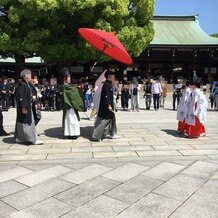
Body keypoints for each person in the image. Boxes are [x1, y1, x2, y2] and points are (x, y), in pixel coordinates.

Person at [15, 69, 43, 145]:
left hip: (31, 106)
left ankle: (22, 138)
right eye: (30, 75)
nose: (31, 77)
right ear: (26, 76)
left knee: (28, 122)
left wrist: (37, 103)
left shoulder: (29, 84)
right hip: (25, 107)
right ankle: (32, 139)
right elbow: (21, 97)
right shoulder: (21, 85)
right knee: (26, 124)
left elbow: (34, 94)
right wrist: (23, 107)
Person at [92, 71, 119, 141]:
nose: (114, 78)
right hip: (105, 107)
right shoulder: (106, 85)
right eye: (113, 77)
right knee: (103, 121)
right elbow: (106, 96)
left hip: (108, 106)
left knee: (112, 119)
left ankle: (112, 133)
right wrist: (109, 105)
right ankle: (96, 136)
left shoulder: (109, 84)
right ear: (109, 77)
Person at [61, 74, 86, 139]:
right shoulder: (66, 87)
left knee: (72, 120)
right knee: (70, 120)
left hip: (71, 107)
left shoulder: (72, 88)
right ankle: (71, 133)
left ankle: (74, 133)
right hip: (68, 106)